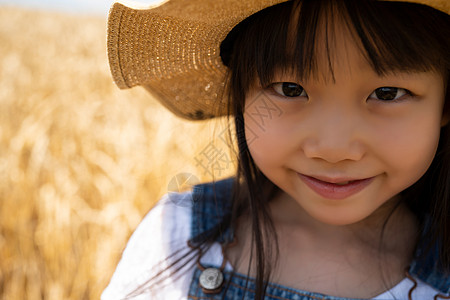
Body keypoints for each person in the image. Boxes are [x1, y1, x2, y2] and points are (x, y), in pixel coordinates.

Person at [102, 0, 450, 299]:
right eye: (290, 88)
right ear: (241, 93)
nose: (332, 149)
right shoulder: (177, 234)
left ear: (446, 103)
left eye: (387, 93)